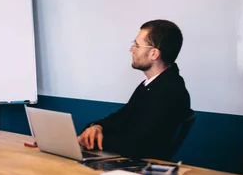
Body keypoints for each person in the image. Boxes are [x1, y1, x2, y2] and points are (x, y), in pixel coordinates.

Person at [77, 19, 192, 160]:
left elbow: (137, 146)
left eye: (137, 45)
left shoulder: (170, 92)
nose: (132, 49)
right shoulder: (153, 84)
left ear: (154, 54)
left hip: (140, 171)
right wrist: (97, 127)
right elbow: (121, 117)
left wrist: (95, 140)